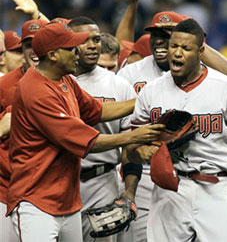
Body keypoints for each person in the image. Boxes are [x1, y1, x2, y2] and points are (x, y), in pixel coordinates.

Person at [127, 18, 227, 242]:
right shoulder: (151, 91)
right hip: (169, 191)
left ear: (200, 52)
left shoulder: (225, 88)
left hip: (215, 189)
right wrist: (141, 151)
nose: (177, 53)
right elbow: (130, 148)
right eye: (173, 46)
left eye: (185, 48)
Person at [6, 22, 164, 242]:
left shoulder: (65, 80)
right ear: (52, 55)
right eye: (71, 49)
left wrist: (144, 101)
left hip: (67, 198)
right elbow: (88, 141)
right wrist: (136, 136)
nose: (77, 52)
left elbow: (98, 111)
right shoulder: (35, 89)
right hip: (36, 199)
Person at [116, 10, 227, 242]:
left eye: (169, 35)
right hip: (150, 178)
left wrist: (187, 28)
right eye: (156, 34)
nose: (162, 41)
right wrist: (128, 192)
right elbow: (128, 141)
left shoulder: (214, 81)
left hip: (206, 179)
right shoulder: (135, 74)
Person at [68, 16, 142, 242]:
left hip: (102, 182)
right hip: (59, 181)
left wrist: (129, 193)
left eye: (96, 39)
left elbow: (132, 145)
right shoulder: (56, 82)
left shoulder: (118, 85)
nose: (92, 45)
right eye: (84, 40)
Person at [0, 19, 47, 242]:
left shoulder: (65, 82)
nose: (34, 50)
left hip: (51, 188)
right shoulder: (5, 85)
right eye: (28, 45)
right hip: (7, 187)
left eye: (40, 43)